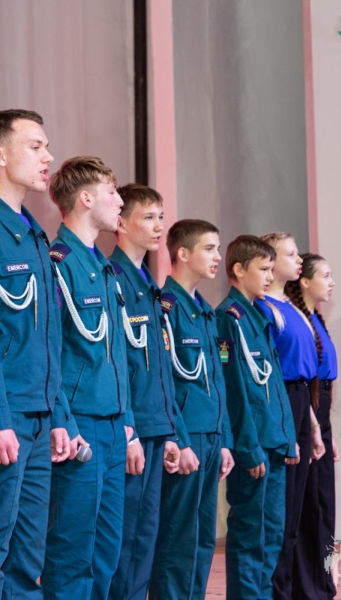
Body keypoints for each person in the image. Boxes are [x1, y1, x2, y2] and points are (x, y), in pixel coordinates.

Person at [0, 109, 77, 599]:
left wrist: (58, 416)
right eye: (35, 146)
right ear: (0, 155)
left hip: (38, 415)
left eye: (46, 146)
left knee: (28, 558)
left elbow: (48, 342)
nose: (48, 156)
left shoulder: (34, 236)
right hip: (4, 416)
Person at [41, 156, 132, 599]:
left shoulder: (104, 267)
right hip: (82, 425)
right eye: (112, 192)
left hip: (113, 426)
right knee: (72, 552)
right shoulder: (58, 263)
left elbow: (117, 355)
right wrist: (64, 420)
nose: (120, 202)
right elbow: (50, 353)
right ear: (86, 199)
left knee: (107, 554)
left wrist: (128, 420)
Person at [107, 183, 189, 600]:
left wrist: (172, 432)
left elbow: (160, 370)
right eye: (148, 217)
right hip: (132, 428)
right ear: (121, 223)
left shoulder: (146, 284)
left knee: (145, 538)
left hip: (156, 427)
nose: (159, 226)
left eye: (161, 217)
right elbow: (119, 364)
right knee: (124, 540)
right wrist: (130, 431)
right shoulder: (114, 279)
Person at [150, 219, 234, 600]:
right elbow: (164, 382)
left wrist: (225, 440)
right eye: (209, 248)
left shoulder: (204, 311)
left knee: (202, 540)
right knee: (178, 538)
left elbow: (217, 382)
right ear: (183, 253)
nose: (217, 257)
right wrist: (180, 439)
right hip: (188, 437)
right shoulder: (165, 307)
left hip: (211, 436)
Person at [216, 235, 297, 600]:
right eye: (263, 269)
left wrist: (288, 436)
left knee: (271, 537)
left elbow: (273, 384)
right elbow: (234, 389)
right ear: (238, 270)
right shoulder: (229, 319)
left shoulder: (257, 317)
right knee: (250, 537)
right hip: (255, 447)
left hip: (273, 443)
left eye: (271, 269)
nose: (269, 276)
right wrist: (248, 448)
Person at [258, 232, 326, 600]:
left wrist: (312, 424)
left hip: (300, 401)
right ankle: (276, 591)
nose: (298, 260)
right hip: (281, 401)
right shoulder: (264, 309)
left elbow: (305, 374)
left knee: (296, 511)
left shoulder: (292, 307)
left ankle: (290, 588)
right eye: (291, 254)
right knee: (280, 514)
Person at [290, 253, 339, 599]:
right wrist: (315, 426)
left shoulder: (315, 318)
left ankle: (322, 582)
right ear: (305, 281)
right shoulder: (298, 320)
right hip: (308, 414)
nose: (331, 282)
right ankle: (309, 587)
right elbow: (306, 382)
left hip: (321, 416)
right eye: (325, 275)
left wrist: (326, 429)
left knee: (324, 506)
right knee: (310, 508)